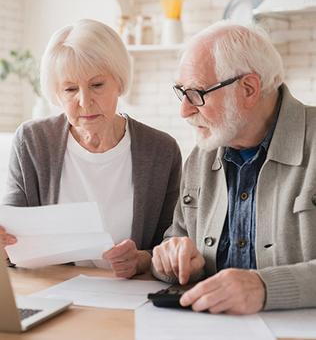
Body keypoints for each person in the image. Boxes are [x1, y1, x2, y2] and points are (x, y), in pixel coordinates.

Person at [152, 20, 316, 314]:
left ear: (249, 88)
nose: (184, 110)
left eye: (197, 93)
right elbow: (177, 238)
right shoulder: (201, 155)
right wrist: (172, 257)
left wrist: (265, 287)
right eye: (182, 92)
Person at [0, 19, 181, 278]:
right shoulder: (32, 142)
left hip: (129, 294)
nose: (85, 101)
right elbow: (12, 238)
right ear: (56, 93)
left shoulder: (161, 151)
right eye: (70, 89)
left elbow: (172, 242)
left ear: (119, 81)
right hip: (51, 291)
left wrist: (141, 260)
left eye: (97, 85)